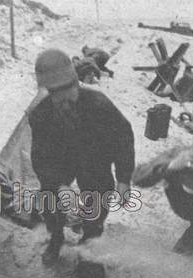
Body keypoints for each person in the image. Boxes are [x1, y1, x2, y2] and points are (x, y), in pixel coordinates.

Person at [28, 48, 134, 265]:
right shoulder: (41, 114)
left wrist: (124, 179)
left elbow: (123, 140)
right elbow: (40, 158)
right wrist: (58, 185)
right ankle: (56, 238)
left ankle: (90, 240)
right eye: (55, 94)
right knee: (49, 197)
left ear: (75, 83)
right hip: (62, 161)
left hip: (94, 161)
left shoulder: (99, 105)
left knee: (97, 201)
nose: (62, 99)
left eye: (67, 91)